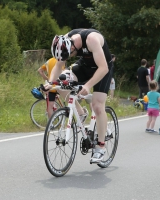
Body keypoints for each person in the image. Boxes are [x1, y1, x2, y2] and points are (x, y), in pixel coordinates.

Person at [45, 28, 113, 164]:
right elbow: (59, 66)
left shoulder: (91, 39)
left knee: (97, 105)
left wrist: (88, 86)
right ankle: (80, 113)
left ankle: (100, 147)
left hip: (102, 69)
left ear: (74, 48)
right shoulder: (65, 41)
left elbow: (103, 68)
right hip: (84, 66)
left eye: (69, 56)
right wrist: (50, 83)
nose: (68, 58)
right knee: (61, 83)